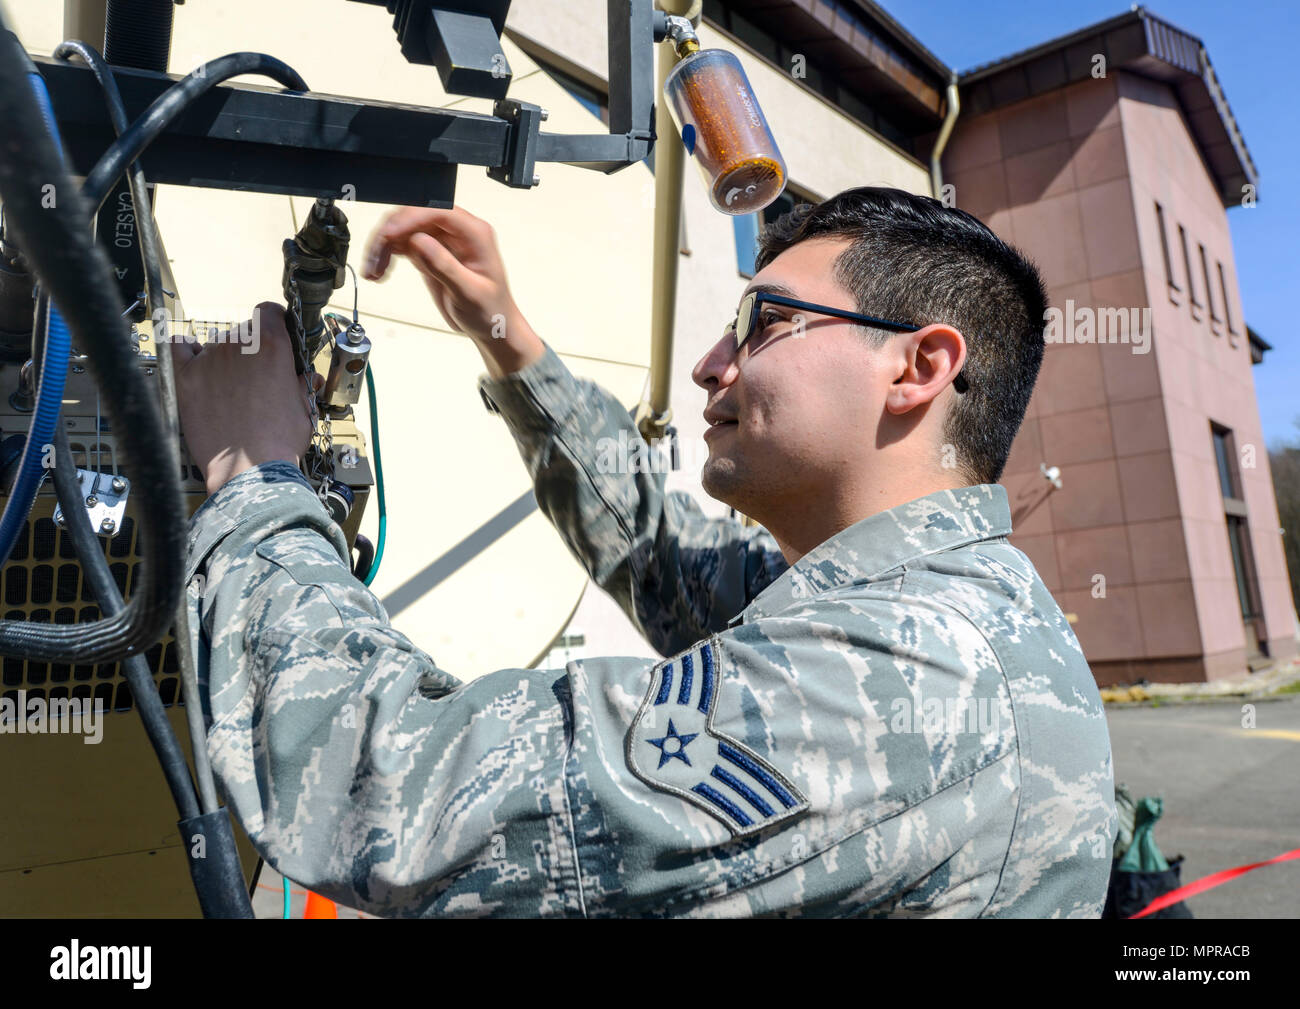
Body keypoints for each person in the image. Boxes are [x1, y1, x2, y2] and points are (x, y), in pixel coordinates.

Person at [173, 186, 1117, 918]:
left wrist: (254, 474)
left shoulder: (911, 669)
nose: (712, 361)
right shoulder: (915, 599)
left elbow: (404, 790)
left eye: (763, 320)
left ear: (918, 367)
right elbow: (659, 553)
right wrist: (505, 338)